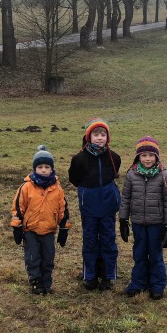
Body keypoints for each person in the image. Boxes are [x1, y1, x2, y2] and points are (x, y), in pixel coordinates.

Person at [118, 136, 167, 300]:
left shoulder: (164, 176)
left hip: (157, 223)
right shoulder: (131, 175)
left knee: (155, 254)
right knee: (139, 253)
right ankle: (138, 283)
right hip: (137, 222)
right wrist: (123, 219)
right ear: (138, 157)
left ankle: (157, 285)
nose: (147, 159)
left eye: (151, 155)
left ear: (157, 156)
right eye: (144, 155)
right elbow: (126, 198)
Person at [68, 118, 122, 290]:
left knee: (108, 240)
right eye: (96, 134)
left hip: (107, 206)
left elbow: (114, 173)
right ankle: (90, 276)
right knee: (90, 240)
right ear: (88, 137)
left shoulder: (114, 158)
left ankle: (107, 276)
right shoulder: (79, 159)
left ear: (108, 137)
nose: (99, 138)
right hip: (89, 207)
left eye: (103, 134)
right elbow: (74, 178)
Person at [11, 145, 70, 295]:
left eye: (47, 167)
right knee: (33, 257)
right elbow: (18, 208)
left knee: (48, 258)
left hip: (49, 230)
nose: (43, 170)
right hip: (30, 230)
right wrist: (17, 227)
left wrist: (64, 229)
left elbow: (63, 209)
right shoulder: (26, 187)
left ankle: (46, 283)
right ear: (34, 169)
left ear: (52, 169)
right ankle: (35, 281)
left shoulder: (57, 189)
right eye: (40, 167)